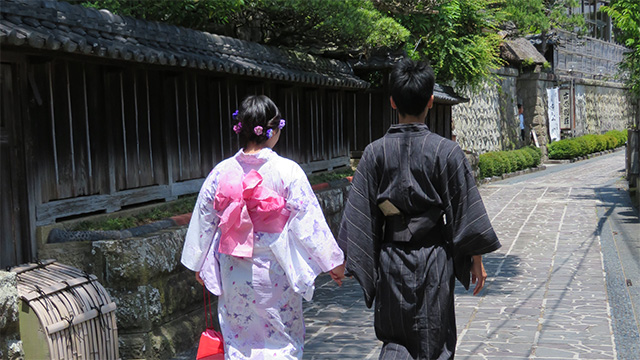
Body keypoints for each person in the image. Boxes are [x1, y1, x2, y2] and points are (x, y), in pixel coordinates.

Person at [337, 59, 501, 360]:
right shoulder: (446, 152)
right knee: (434, 341)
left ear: (392, 101)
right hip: (435, 258)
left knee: (394, 340)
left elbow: (360, 215)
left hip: (391, 260)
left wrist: (343, 260)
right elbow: (466, 211)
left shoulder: (374, 153)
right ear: (431, 101)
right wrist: (476, 259)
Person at [181, 95, 345, 359]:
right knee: (281, 339)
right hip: (275, 269)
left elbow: (204, 221)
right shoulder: (287, 171)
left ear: (241, 130)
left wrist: (199, 263)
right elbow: (309, 224)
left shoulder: (221, 172)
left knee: (240, 341)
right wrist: (333, 264)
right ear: (274, 130)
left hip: (234, 269)